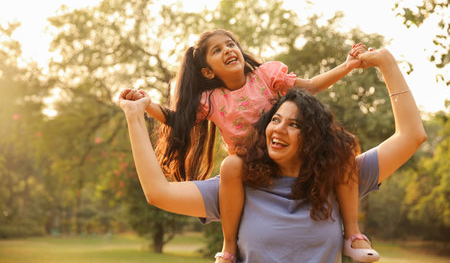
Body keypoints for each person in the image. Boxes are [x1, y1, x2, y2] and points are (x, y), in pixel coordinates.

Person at [118, 48, 426, 262]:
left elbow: (412, 136)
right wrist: (135, 116)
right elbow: (158, 193)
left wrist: (386, 63)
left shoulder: (338, 176)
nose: (278, 129)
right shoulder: (236, 183)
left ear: (313, 138)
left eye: (295, 124)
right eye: (275, 120)